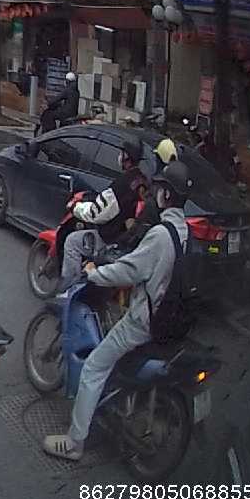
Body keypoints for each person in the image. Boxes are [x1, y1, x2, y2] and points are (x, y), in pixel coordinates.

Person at [43, 161, 192, 462]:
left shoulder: (161, 234)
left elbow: (130, 271)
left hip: (145, 320)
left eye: (160, 189)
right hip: (170, 316)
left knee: (94, 367)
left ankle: (74, 442)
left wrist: (95, 273)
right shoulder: (183, 230)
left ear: (166, 195)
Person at [59, 137, 148, 290]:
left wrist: (75, 207)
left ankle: (67, 290)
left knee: (72, 242)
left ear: (126, 156)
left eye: (121, 153)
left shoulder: (121, 184)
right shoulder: (142, 180)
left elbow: (97, 214)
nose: (119, 156)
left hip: (111, 239)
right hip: (130, 239)